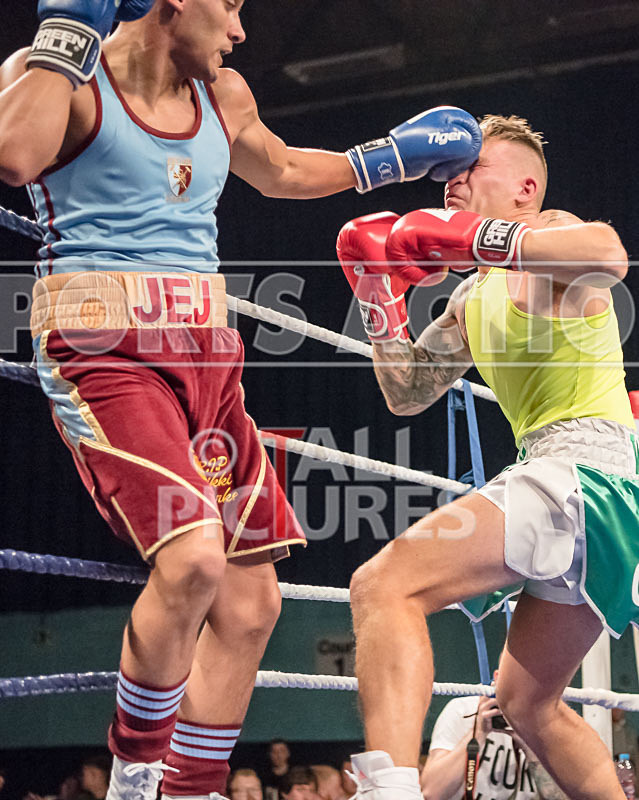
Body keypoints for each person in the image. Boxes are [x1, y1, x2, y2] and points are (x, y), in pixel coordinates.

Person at [0, 1, 482, 797]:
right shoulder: (64, 77)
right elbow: (15, 155)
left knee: (253, 602)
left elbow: (282, 170)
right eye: (227, 5)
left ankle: (189, 791)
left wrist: (395, 156)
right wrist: (64, 33)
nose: (239, 31)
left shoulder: (222, 95)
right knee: (192, 559)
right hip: (106, 353)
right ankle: (133, 780)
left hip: (209, 361)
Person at [336, 114, 637, 799]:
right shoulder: (473, 293)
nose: (452, 179)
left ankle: (390, 792)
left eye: (473, 167)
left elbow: (609, 255)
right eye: (448, 170)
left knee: (383, 586)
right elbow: (407, 392)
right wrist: (379, 298)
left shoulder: (550, 235)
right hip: (601, 495)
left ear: (525, 189)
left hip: (579, 472)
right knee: (527, 704)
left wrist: (485, 238)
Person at [422, 688, 567, 799]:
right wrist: (478, 733)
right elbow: (432, 792)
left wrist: (531, 748)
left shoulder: (551, 725)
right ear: (497, 678)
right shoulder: (463, 710)